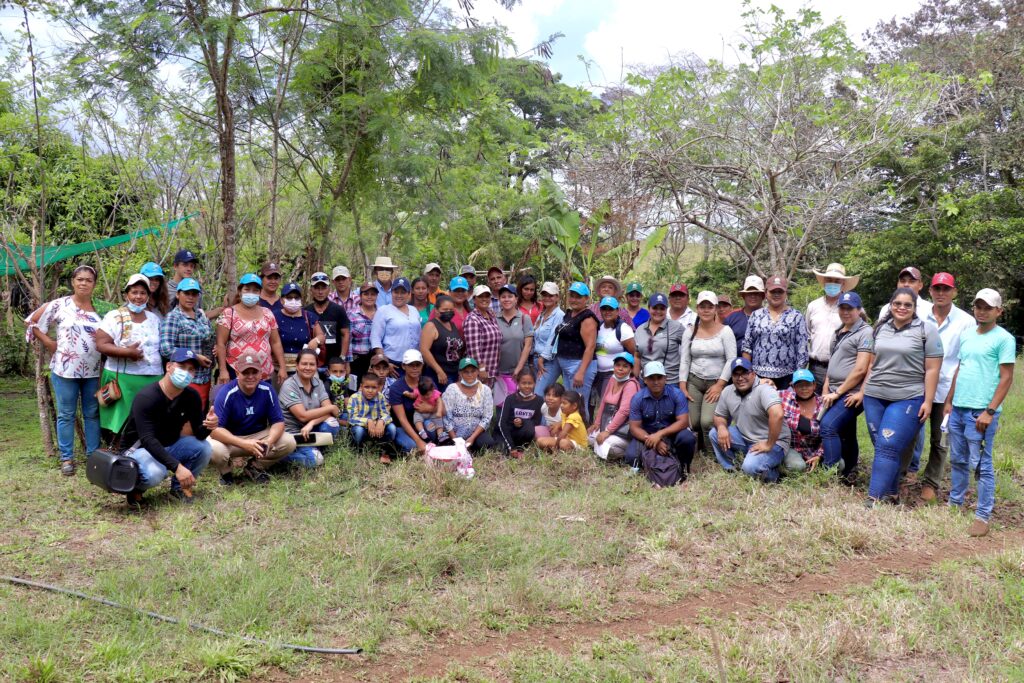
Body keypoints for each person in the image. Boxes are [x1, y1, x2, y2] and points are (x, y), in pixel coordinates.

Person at [944, 288, 1016, 537]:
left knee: (981, 464)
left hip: (981, 411)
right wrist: (949, 400)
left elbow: (1006, 378)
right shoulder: (967, 335)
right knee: (958, 459)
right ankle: (955, 503)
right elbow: (960, 368)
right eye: (978, 306)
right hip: (959, 408)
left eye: (987, 307)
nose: (982, 311)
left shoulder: (1004, 338)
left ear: (999, 311)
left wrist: (990, 410)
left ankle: (983, 515)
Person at [862, 288, 943, 506]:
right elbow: (871, 363)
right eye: (897, 303)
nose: (902, 308)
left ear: (915, 308)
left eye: (908, 304)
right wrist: (863, 390)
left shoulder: (926, 330)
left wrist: (928, 401)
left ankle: (874, 498)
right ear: (890, 305)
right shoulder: (879, 329)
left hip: (907, 396)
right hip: (875, 395)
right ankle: (892, 493)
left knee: (888, 444)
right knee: (882, 446)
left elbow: (933, 369)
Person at [25, 264, 103, 475]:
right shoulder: (60, 304)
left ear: (94, 284)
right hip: (65, 370)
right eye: (80, 279)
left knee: (92, 413)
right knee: (66, 414)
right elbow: (32, 322)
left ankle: (93, 456)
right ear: (72, 282)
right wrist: (49, 343)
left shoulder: (99, 309)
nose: (84, 283)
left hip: (93, 371)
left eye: (88, 280)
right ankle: (66, 458)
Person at [904, 272, 975, 502]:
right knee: (909, 433)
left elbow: (964, 361)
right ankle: (902, 477)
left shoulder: (966, 321)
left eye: (946, 289)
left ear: (954, 292)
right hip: (917, 384)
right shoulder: (919, 314)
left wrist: (952, 398)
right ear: (930, 291)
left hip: (946, 389)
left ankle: (931, 482)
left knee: (940, 438)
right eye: (937, 289)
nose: (941, 293)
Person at [119, 348, 216, 505]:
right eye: (182, 367)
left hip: (169, 445)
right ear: (169, 367)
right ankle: (135, 489)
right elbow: (148, 439)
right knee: (156, 472)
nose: (186, 372)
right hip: (139, 450)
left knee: (203, 448)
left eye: (191, 369)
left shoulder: (192, 396)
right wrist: (177, 467)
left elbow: (199, 434)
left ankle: (178, 490)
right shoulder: (147, 397)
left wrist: (209, 425)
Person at [209, 352, 297, 484]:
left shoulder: (267, 390)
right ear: (237, 374)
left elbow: (278, 422)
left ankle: (255, 467)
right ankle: (226, 472)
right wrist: (244, 444)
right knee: (214, 449)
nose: (250, 376)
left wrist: (269, 441)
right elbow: (215, 430)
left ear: (261, 373)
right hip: (232, 439)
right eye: (245, 373)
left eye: (254, 372)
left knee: (289, 441)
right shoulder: (226, 393)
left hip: (258, 436)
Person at [95, 274, 164, 438]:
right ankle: (120, 450)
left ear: (148, 296)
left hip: (152, 378)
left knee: (149, 419)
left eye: (142, 293)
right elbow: (101, 344)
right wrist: (127, 352)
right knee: (124, 421)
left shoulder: (154, 319)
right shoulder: (115, 316)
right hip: (123, 379)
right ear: (127, 294)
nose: (138, 297)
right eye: (134, 292)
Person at [819, 291, 872, 483]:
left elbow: (861, 369)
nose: (846, 312)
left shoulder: (865, 333)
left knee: (828, 427)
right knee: (846, 431)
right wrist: (826, 388)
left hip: (850, 393)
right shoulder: (838, 332)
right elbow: (832, 363)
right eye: (842, 307)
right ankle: (849, 470)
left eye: (850, 308)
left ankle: (829, 472)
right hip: (833, 390)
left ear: (858, 310)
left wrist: (838, 393)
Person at [709, 358, 790, 483]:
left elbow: (778, 414)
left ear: (753, 373)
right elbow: (719, 416)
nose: (740, 378)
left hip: (774, 442)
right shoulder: (728, 391)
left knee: (750, 468)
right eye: (736, 374)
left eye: (745, 373)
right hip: (745, 437)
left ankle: (776, 475)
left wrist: (769, 444)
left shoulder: (764, 389)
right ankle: (733, 468)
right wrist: (721, 427)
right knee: (714, 433)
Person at [679, 291, 737, 459]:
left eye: (709, 307)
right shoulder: (690, 332)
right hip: (694, 380)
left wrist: (720, 385)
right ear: (697, 308)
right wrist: (683, 384)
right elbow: (685, 359)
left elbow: (731, 359)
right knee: (694, 421)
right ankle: (700, 449)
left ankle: (713, 456)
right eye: (702, 307)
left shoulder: (725, 331)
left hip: (715, 382)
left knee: (707, 421)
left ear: (715, 309)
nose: (705, 310)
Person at [626, 361, 697, 477]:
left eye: (659, 377)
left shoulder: (677, 394)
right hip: (647, 435)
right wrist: (655, 441)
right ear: (645, 380)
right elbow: (634, 428)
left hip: (672, 434)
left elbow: (683, 422)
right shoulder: (637, 398)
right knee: (631, 456)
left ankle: (684, 467)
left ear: (666, 379)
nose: (656, 382)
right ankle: (649, 467)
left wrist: (659, 434)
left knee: (687, 438)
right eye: (651, 378)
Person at [216, 273, 286, 385]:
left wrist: (282, 367)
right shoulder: (229, 313)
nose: (251, 294)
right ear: (240, 291)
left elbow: (276, 342)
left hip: (264, 371)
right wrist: (223, 370)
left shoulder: (267, 313)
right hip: (236, 370)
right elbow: (221, 344)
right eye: (247, 290)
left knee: (262, 400)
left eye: (255, 291)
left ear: (260, 293)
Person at [742, 275, 808, 391]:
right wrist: (749, 375)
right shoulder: (756, 315)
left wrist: (797, 379)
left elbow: (802, 350)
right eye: (773, 291)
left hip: (787, 378)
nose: (776, 294)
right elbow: (747, 347)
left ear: (786, 293)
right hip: (758, 377)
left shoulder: (796, 317)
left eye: (780, 291)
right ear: (766, 293)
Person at [279, 349, 341, 468]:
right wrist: (331, 407)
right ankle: (282, 457)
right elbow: (302, 416)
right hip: (293, 435)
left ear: (316, 367)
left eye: (312, 364)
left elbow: (332, 413)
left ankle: (314, 449)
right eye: (304, 364)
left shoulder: (318, 382)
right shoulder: (289, 385)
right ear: (297, 366)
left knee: (332, 423)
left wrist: (312, 422)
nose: (308, 367)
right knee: (316, 461)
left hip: (309, 429)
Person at [548, 282, 599, 421]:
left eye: (579, 297)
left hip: (580, 365)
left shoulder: (587, 318)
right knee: (569, 402)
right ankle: (571, 434)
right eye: (572, 296)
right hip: (567, 365)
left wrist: (581, 372)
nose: (574, 300)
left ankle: (582, 437)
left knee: (579, 403)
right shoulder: (570, 314)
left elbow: (590, 347)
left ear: (586, 298)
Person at [159, 277, 215, 406]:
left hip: (205, 377)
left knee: (199, 419)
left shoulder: (201, 316)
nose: (190, 297)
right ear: (178, 294)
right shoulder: (173, 317)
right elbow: (166, 349)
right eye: (187, 293)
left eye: (194, 294)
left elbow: (209, 338)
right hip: (183, 378)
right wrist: (195, 356)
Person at [807, 263, 860, 390]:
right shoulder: (813, 306)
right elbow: (807, 334)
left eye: (837, 280)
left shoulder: (853, 309)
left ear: (843, 284)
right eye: (829, 280)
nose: (832, 283)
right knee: (814, 406)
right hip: (816, 367)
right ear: (824, 282)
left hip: (842, 368)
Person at [589, 352, 640, 462]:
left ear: (631, 369)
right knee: (590, 438)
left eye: (625, 366)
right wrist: (597, 423)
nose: (620, 369)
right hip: (608, 424)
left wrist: (607, 431)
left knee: (605, 444)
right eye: (618, 365)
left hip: (623, 431)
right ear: (614, 367)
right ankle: (602, 451)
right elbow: (603, 402)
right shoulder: (613, 379)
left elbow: (624, 411)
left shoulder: (631, 384)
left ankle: (626, 454)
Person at [441, 357, 496, 452]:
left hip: (476, 434)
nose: (470, 374)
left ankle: (471, 447)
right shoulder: (452, 389)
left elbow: (487, 417)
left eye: (473, 371)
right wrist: (455, 439)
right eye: (466, 372)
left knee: (487, 443)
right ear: (460, 373)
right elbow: (446, 417)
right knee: (447, 448)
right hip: (455, 434)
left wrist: (473, 438)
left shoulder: (485, 390)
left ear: (478, 371)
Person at [387, 349, 436, 453]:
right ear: (403, 366)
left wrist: (431, 408)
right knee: (412, 446)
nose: (415, 368)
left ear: (422, 366)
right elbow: (402, 419)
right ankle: (398, 448)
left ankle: (432, 445)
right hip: (402, 426)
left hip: (422, 423)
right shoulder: (396, 387)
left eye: (418, 365)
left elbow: (441, 408)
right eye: (410, 365)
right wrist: (418, 441)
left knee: (430, 426)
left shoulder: (428, 382)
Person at [632, 293, 684, 389]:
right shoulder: (640, 329)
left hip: (669, 382)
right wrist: (634, 380)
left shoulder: (677, 327)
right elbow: (637, 356)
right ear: (649, 308)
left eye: (662, 308)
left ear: (666, 309)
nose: (658, 311)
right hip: (646, 382)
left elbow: (687, 351)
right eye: (655, 308)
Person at [593, 296, 636, 409]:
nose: (607, 312)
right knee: (598, 405)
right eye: (604, 309)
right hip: (597, 374)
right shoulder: (599, 326)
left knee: (607, 406)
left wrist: (633, 374)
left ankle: (607, 427)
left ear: (617, 311)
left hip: (614, 374)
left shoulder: (623, 329)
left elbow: (635, 353)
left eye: (610, 309)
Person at [273, 282, 324, 377]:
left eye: (296, 297)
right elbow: (273, 342)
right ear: (281, 300)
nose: (293, 300)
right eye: (289, 297)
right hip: (280, 371)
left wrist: (316, 340)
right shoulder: (274, 316)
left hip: (306, 370)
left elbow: (321, 336)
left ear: (301, 300)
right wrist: (282, 368)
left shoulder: (309, 316)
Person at [307, 271, 351, 380]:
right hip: (312, 363)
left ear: (329, 289)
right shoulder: (306, 311)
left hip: (334, 365)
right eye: (317, 288)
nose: (320, 292)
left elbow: (345, 334)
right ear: (311, 289)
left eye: (323, 287)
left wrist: (342, 358)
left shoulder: (338, 310)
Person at [778, 369, 823, 473]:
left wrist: (819, 455)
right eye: (799, 385)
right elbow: (763, 392)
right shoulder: (784, 397)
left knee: (840, 464)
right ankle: (780, 468)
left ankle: (813, 465)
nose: (804, 388)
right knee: (797, 466)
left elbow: (829, 432)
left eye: (807, 384)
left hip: (813, 449)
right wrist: (764, 382)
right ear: (793, 387)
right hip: (791, 447)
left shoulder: (822, 404)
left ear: (814, 385)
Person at [370, 277, 420, 370]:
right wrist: (384, 362)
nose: (399, 295)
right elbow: (375, 338)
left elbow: (418, 335)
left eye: (403, 292)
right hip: (393, 362)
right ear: (391, 293)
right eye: (396, 292)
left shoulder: (414, 310)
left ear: (409, 294)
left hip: (414, 362)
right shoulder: (384, 311)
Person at [496, 283, 534, 403]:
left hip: (520, 370)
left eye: (510, 296)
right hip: (499, 370)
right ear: (499, 299)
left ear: (516, 299)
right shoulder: (493, 318)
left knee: (521, 402)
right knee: (501, 403)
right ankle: (500, 422)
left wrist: (518, 368)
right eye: (503, 296)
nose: (506, 299)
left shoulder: (524, 318)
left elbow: (528, 346)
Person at [347, 373, 397, 461]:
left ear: (378, 388)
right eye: (367, 387)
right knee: (358, 431)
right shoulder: (354, 397)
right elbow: (351, 418)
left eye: (374, 388)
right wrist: (368, 421)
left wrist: (381, 421)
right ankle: (358, 451)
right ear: (361, 387)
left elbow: (386, 414)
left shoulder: (380, 397)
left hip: (377, 429)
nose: (370, 390)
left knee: (392, 428)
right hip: (362, 428)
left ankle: (382, 449)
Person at [420, 295, 466, 387]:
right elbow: (424, 350)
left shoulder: (453, 325)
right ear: (436, 310)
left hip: (454, 372)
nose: (448, 312)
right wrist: (439, 371)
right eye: (445, 310)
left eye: (451, 310)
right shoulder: (431, 326)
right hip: (439, 375)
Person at [497, 369, 544, 457]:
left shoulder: (539, 400)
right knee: (502, 451)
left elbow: (536, 422)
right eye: (523, 383)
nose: (527, 386)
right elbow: (502, 423)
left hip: (524, 433)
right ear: (518, 383)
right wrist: (511, 446)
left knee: (529, 426)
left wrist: (522, 421)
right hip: (508, 433)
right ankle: (513, 448)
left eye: (530, 383)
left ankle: (522, 449)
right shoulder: (510, 399)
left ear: (534, 384)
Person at [463, 285, 503, 384]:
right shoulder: (473, 319)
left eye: (487, 296)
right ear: (474, 299)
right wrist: (481, 369)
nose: (484, 299)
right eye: (481, 296)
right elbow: (473, 349)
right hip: (480, 372)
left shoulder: (490, 315)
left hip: (492, 369)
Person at [533, 282, 565, 391]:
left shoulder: (559, 315)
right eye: (544, 295)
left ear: (557, 297)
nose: (547, 298)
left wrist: (542, 359)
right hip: (536, 358)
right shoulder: (542, 314)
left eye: (550, 295)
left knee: (539, 394)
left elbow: (553, 338)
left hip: (549, 361)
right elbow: (536, 336)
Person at [724, 275, 765, 350]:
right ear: (743, 296)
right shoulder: (731, 318)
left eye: (756, 293)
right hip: (736, 360)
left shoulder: (770, 317)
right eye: (749, 293)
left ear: (763, 296)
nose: (753, 296)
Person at [348, 282, 379, 380]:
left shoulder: (382, 313)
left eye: (372, 294)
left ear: (377, 296)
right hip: (357, 360)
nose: (369, 297)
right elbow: (347, 340)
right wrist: (347, 363)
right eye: (366, 294)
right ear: (360, 296)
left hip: (377, 361)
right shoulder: (352, 314)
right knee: (355, 390)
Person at [405, 375, 446, 442]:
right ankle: (421, 431)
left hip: (432, 412)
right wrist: (408, 394)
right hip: (420, 412)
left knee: (438, 420)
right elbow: (413, 395)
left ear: (432, 390)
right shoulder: (419, 391)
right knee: (417, 419)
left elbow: (440, 402)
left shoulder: (435, 393)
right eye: (423, 395)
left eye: (427, 395)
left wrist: (439, 411)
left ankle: (440, 435)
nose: (425, 397)